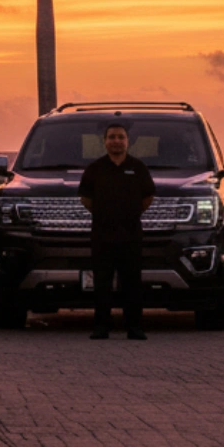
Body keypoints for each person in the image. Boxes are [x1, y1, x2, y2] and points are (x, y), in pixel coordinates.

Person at [78, 123, 156, 340]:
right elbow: (85, 199)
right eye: (112, 137)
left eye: (120, 137)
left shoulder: (138, 167)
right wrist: (105, 213)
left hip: (131, 235)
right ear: (105, 141)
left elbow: (148, 197)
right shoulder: (95, 168)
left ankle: (135, 327)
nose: (116, 141)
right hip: (102, 235)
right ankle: (101, 327)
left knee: (132, 283)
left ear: (127, 141)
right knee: (102, 283)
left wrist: (129, 212)